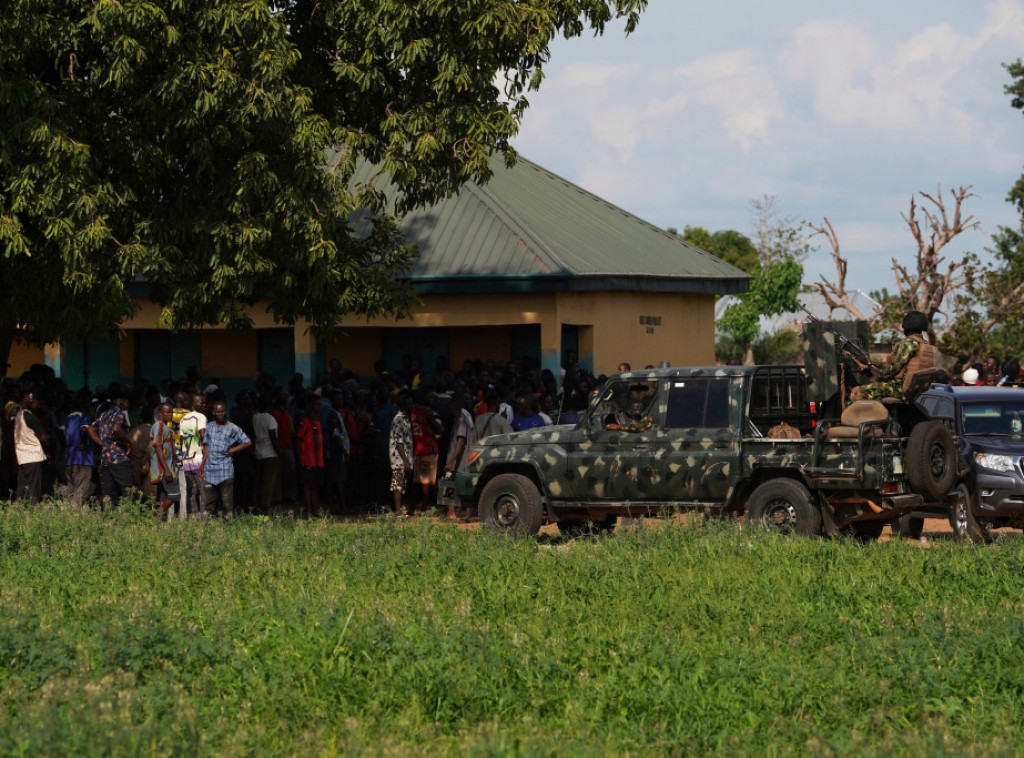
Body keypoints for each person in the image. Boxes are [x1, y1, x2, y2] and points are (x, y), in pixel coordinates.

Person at [849, 310, 939, 402]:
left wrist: (878, 377)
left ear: (906, 327)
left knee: (856, 392)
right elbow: (904, 366)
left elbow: (895, 367)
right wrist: (879, 365)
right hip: (911, 390)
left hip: (898, 388)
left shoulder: (908, 343)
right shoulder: (925, 346)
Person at [200, 400, 252, 517]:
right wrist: (202, 465)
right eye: (218, 412)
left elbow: (247, 442)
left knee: (227, 502)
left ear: (226, 412)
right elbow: (206, 446)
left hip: (225, 468)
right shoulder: (209, 427)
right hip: (210, 469)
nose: (220, 414)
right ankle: (209, 525)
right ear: (213, 413)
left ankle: (229, 524)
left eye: (222, 411)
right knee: (209, 502)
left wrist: (231, 450)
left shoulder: (233, 428)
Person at [93, 388, 133, 503]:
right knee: (128, 491)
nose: (126, 401)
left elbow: (91, 429)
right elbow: (116, 429)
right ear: (116, 401)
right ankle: (131, 517)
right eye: (123, 399)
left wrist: (103, 443)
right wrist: (127, 443)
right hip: (118, 457)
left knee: (109, 493)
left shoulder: (104, 414)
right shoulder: (118, 414)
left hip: (105, 458)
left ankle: (108, 518)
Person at [444, 394, 477, 519]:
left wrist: (452, 461)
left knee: (457, 484)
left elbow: (461, 441)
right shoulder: (461, 417)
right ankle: (457, 512)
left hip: (460, 460)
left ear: (454, 406)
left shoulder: (462, 419)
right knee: (460, 485)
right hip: (459, 459)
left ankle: (457, 512)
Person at [176, 393, 207, 518]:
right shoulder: (200, 417)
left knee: (191, 491)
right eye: (201, 403)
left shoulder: (184, 419)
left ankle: (193, 515)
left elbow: (182, 439)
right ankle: (203, 517)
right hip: (199, 459)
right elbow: (203, 436)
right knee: (203, 490)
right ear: (194, 404)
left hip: (187, 460)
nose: (204, 405)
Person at [13, 391, 48, 502]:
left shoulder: (19, 414)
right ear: (24, 399)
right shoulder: (28, 415)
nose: (35, 401)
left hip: (23, 456)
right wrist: (49, 444)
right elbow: (43, 436)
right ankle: (33, 510)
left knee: (22, 486)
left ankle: (20, 509)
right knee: (33, 487)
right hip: (33, 455)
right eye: (32, 398)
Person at [62, 396, 96, 505]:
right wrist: (84, 443)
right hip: (82, 458)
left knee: (72, 488)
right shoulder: (84, 417)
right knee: (81, 489)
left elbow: (58, 432)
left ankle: (68, 512)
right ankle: (74, 515)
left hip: (69, 458)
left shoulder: (65, 419)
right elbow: (85, 429)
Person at [294, 395, 325, 517]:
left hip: (318, 461)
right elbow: (298, 439)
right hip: (307, 460)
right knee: (308, 486)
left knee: (315, 486)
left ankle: (315, 511)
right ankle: (308, 512)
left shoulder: (317, 421)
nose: (319, 407)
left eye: (320, 404)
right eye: (317, 404)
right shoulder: (305, 421)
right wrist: (300, 458)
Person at [252, 396, 281, 513]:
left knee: (258, 481)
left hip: (258, 453)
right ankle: (266, 506)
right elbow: (273, 437)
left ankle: (257, 505)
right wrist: (279, 454)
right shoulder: (271, 419)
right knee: (268, 483)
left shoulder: (254, 418)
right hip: (270, 454)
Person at [389, 394, 414, 515]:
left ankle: (401, 509)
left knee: (403, 483)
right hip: (399, 458)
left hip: (405, 457)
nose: (412, 405)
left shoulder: (406, 418)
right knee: (398, 483)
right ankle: (398, 510)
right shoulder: (398, 419)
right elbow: (399, 442)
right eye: (409, 402)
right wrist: (405, 460)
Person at [149, 402, 177, 513]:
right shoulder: (159, 426)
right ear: (160, 413)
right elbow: (158, 447)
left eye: (171, 412)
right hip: (163, 470)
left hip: (165, 468)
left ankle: (160, 523)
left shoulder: (166, 427)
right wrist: (167, 470)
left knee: (163, 496)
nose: (170, 415)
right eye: (167, 412)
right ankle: (157, 515)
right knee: (175, 495)